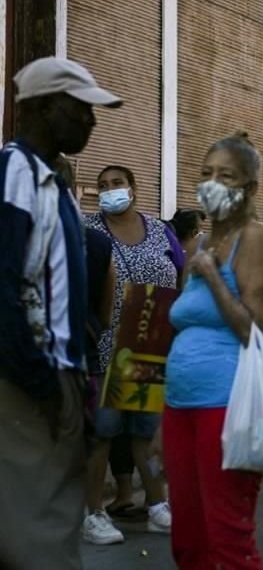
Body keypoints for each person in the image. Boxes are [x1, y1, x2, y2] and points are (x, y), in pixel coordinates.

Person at [0, 57, 121, 569]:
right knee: (37, 535)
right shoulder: (15, 173)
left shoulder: (57, 188)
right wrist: (41, 380)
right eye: (81, 111)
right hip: (28, 379)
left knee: (50, 517)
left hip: (59, 375)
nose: (91, 123)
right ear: (46, 109)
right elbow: (4, 285)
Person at [162, 132, 263, 568]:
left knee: (228, 540)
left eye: (225, 176)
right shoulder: (203, 244)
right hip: (181, 404)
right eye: (206, 173)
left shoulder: (255, 240)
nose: (211, 182)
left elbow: (252, 328)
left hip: (227, 405)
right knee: (189, 540)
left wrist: (212, 277)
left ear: (249, 188)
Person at [84, 165, 177, 544]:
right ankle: (93, 514)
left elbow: (180, 273)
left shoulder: (157, 229)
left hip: (148, 342)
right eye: (103, 186)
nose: (110, 191)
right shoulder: (88, 230)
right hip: (106, 346)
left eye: (117, 184)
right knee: (102, 432)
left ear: (133, 188)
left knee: (145, 430)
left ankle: (157, 505)